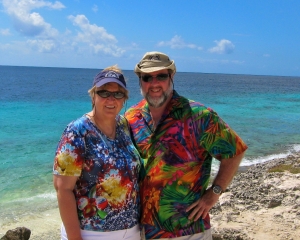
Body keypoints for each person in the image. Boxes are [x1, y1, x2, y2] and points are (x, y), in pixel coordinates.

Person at [125, 52, 248, 239]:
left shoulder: (199, 115)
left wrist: (214, 193)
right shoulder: (131, 117)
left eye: (161, 76)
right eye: (147, 77)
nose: (154, 83)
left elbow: (235, 152)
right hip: (140, 229)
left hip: (186, 229)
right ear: (140, 80)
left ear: (171, 76)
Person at [53, 65, 142, 240]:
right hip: (91, 233)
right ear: (93, 95)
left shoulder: (124, 126)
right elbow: (63, 189)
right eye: (104, 93)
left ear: (124, 99)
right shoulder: (77, 131)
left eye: (118, 94)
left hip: (131, 230)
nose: (111, 99)